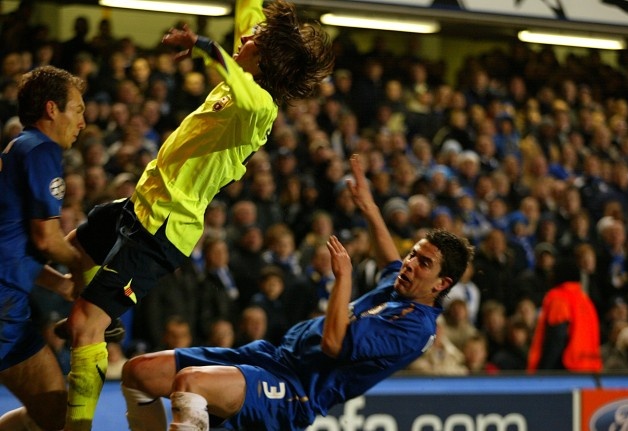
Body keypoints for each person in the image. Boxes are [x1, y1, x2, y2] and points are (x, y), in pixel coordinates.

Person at [59, 1, 334, 429]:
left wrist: (203, 44)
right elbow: (250, 18)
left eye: (254, 41)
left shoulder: (260, 108)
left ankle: (78, 416)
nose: (245, 37)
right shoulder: (248, 71)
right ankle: (98, 317)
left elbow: (243, 78)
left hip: (162, 230)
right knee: (68, 248)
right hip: (140, 203)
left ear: (267, 59)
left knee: (83, 323)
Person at [119, 154, 474, 431]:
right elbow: (390, 259)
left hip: (296, 391)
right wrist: (369, 207)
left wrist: (342, 279)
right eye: (413, 254)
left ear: (442, 284)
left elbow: (333, 343)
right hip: (273, 356)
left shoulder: (413, 327)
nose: (409, 264)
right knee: (139, 371)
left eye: (423, 263)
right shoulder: (401, 288)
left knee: (191, 383)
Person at [0, 66, 85, 430]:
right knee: (56, 416)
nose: (82, 122)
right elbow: (46, 239)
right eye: (78, 110)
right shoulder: (41, 149)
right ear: (52, 109)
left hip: (8, 304)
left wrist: (62, 284)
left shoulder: (20, 147)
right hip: (3, 308)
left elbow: (13, 247)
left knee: (52, 415)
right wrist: (84, 269)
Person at [527, 258, 603, 372]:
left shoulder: (559, 298)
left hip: (567, 370)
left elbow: (557, 336)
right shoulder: (586, 302)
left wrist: (543, 370)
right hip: (590, 370)